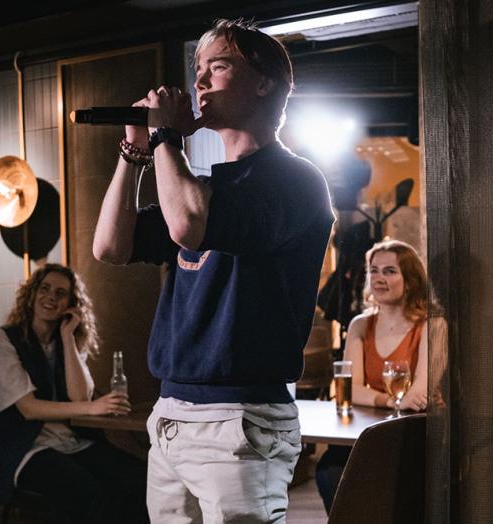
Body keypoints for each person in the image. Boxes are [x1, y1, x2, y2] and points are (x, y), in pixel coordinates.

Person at [92, 18, 334, 523]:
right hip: (172, 413)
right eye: (197, 68)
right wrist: (134, 151)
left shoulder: (296, 180)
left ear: (265, 83)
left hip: (240, 418)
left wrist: (165, 137)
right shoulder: (203, 186)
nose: (198, 82)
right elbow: (110, 246)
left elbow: (187, 225)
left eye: (217, 67)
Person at [0, 264, 148, 523]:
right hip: (21, 447)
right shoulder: (4, 341)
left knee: (137, 478)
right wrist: (94, 408)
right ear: (32, 296)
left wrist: (67, 338)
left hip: (68, 440)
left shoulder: (66, 342)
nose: (51, 297)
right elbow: (29, 409)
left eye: (61, 293)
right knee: (85, 491)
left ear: (70, 304)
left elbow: (79, 398)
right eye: (44, 289)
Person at [315, 239, 431, 513]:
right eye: (374, 270)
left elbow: (419, 394)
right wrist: (391, 401)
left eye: (390, 271)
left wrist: (387, 399)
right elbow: (350, 389)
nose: (379, 278)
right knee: (330, 469)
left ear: (411, 279)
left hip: (415, 435)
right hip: (372, 431)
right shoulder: (360, 325)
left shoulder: (431, 325)